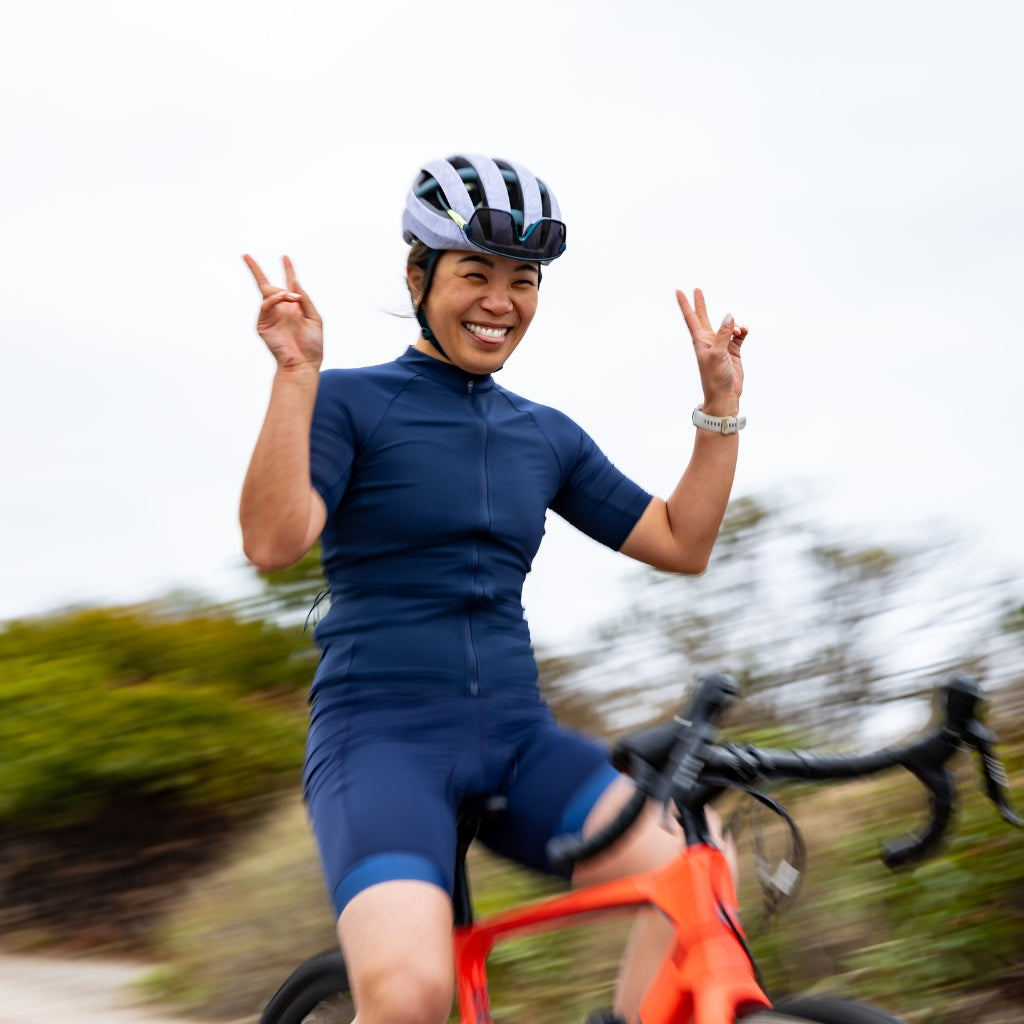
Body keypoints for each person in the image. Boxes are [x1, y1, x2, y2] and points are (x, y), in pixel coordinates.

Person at [240, 153, 747, 1024]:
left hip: (518, 739)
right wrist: (295, 378)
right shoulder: (349, 403)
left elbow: (680, 541)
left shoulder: (543, 435)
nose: (500, 300)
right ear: (418, 275)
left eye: (523, 280)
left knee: (704, 878)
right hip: (380, 741)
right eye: (475, 273)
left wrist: (721, 407)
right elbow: (273, 541)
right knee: (411, 996)